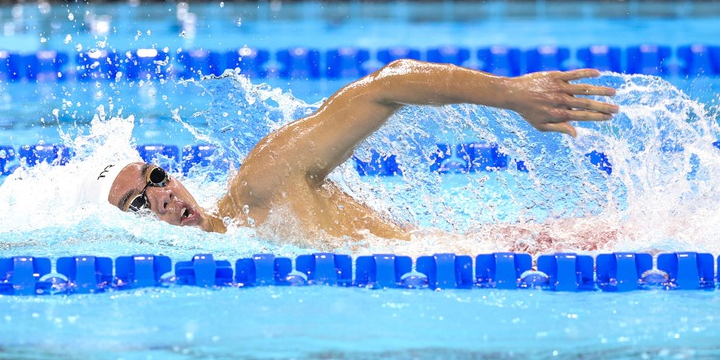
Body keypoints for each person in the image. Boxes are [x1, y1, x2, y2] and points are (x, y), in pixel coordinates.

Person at [76, 59, 619, 243]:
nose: (162, 200)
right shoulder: (230, 247)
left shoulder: (262, 182)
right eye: (140, 207)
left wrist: (510, 93)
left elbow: (386, 83)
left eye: (155, 179)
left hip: (491, 256)